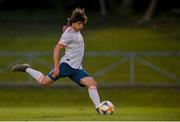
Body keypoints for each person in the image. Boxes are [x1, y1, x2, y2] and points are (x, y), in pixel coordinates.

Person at [11, 8, 101, 113]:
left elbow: (68, 31)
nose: (81, 26)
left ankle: (99, 108)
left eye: (82, 24)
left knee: (92, 84)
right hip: (66, 65)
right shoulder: (69, 33)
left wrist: (67, 29)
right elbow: (56, 49)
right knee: (44, 82)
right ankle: (26, 68)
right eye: (79, 24)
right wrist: (57, 67)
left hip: (77, 68)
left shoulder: (72, 30)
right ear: (73, 23)